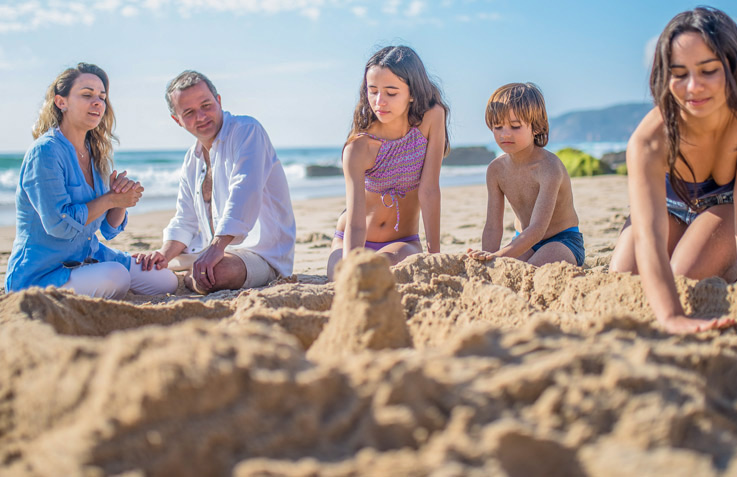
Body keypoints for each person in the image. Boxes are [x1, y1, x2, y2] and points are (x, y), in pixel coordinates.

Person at [608, 7, 737, 334]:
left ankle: (722, 259)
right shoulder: (647, 142)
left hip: (730, 200)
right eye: (679, 74)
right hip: (670, 204)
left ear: (733, 65)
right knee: (623, 280)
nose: (693, 87)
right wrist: (671, 317)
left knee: (683, 276)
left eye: (708, 70)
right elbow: (649, 236)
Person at [5, 63, 178, 299]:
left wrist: (120, 202)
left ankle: (97, 284)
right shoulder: (45, 152)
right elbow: (59, 225)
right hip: (43, 274)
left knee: (164, 280)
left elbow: (108, 228)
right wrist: (109, 199)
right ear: (61, 102)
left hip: (88, 258)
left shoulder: (96, 152)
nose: (97, 102)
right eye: (87, 95)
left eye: (102, 97)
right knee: (116, 276)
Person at [135, 71, 295, 294]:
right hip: (212, 250)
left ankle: (188, 275)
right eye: (189, 112)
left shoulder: (247, 131)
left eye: (206, 105)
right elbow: (185, 219)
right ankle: (183, 270)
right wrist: (163, 254)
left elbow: (244, 191)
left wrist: (216, 247)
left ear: (218, 101)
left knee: (213, 275)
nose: (201, 117)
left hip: (263, 254)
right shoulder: (192, 158)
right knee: (143, 266)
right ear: (177, 120)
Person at [326, 45, 448, 280]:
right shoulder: (357, 148)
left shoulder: (433, 117)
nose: (379, 101)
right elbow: (356, 222)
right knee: (347, 277)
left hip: (402, 242)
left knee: (381, 266)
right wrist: (352, 267)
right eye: (373, 91)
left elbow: (430, 190)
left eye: (391, 93)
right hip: (350, 239)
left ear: (412, 93)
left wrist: (435, 257)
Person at [467, 82, 584, 267]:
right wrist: (488, 259)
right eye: (498, 127)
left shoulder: (549, 168)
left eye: (515, 126)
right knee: (503, 270)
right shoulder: (496, 170)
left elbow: (538, 228)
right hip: (521, 241)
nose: (505, 134)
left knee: (533, 269)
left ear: (536, 127)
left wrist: (499, 256)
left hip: (562, 241)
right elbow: (492, 226)